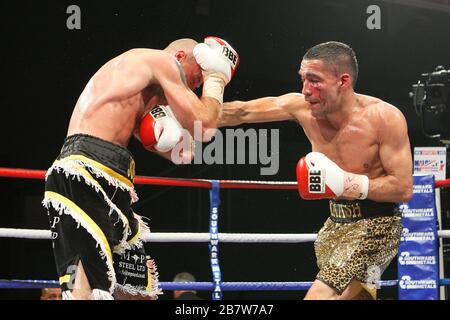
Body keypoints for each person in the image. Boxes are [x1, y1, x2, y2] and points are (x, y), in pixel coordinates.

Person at [42, 37, 239, 300]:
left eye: (204, 79)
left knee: (136, 292)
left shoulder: (142, 94)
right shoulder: (161, 61)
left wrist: (169, 133)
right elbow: (206, 124)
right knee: (88, 288)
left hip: (113, 180)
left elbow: (184, 153)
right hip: (86, 170)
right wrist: (217, 78)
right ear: (181, 56)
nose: (198, 82)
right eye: (199, 72)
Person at [218, 41, 413, 300]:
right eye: (303, 80)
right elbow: (239, 112)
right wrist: (184, 111)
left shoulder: (384, 118)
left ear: (343, 81)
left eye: (314, 80)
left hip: (377, 225)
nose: (305, 90)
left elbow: (402, 188)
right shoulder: (302, 108)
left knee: (321, 296)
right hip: (334, 224)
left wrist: (346, 183)